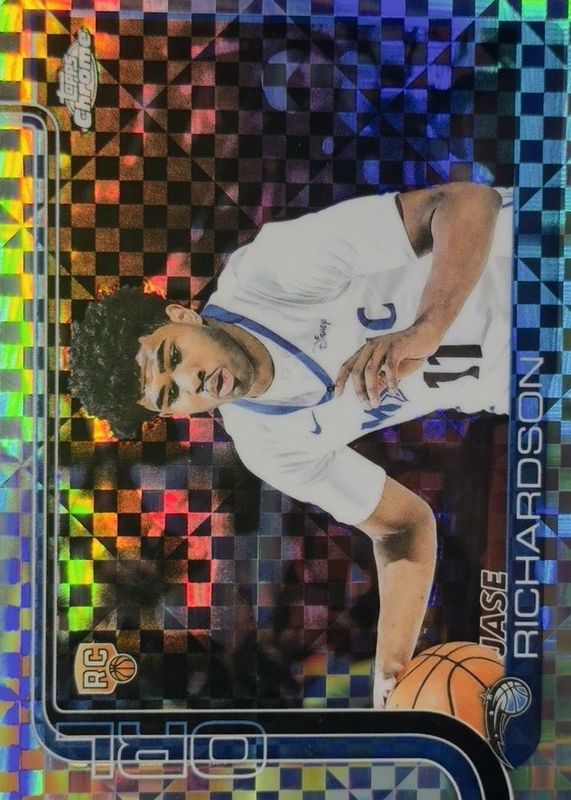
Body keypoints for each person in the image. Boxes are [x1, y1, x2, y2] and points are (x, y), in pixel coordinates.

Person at [70, 181, 513, 708]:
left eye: (173, 357)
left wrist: (427, 328)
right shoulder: (267, 446)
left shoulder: (269, 273)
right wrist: (390, 680)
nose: (192, 382)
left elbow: (467, 203)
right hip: (536, 385)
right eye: (170, 395)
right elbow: (402, 528)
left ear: (182, 317)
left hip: (538, 261)